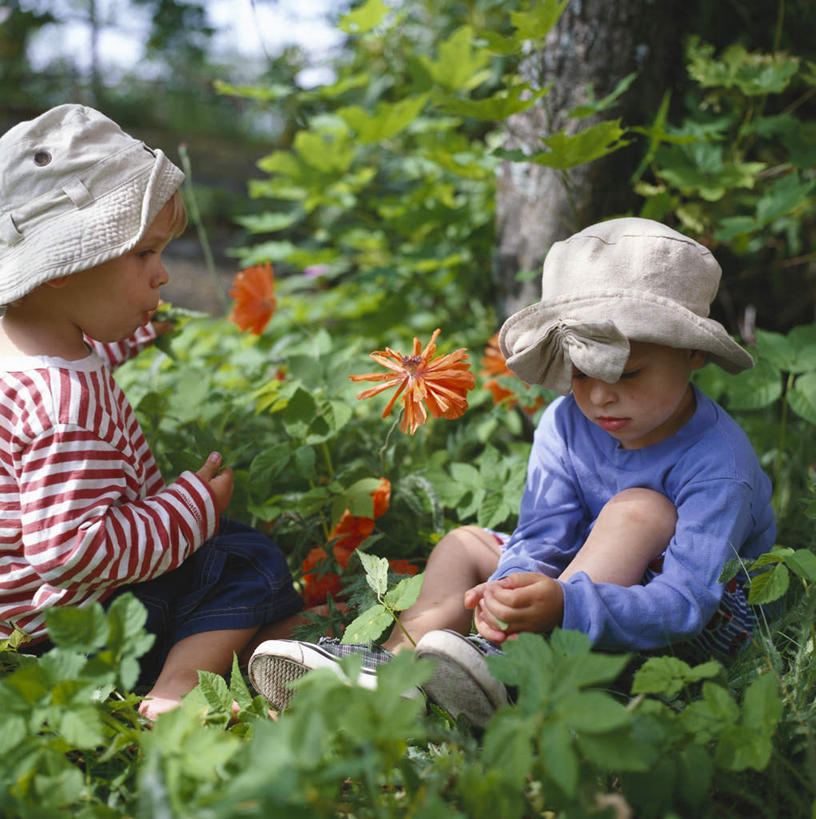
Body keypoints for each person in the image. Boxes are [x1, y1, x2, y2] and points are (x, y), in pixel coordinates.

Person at [247, 217, 776, 726]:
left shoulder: (719, 464)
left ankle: (517, 672)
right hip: (584, 578)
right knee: (463, 543)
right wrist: (508, 593)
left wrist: (562, 605)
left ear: (693, 354)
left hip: (695, 620)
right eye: (577, 373)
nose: (597, 395)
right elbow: (543, 535)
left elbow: (685, 604)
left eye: (625, 372)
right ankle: (396, 665)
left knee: (637, 508)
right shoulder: (566, 422)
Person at [0, 104, 305, 719]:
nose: (163, 275)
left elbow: (82, 347)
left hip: (20, 614)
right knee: (243, 558)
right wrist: (191, 510)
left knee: (229, 554)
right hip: (75, 627)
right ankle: (177, 690)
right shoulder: (69, 408)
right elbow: (73, 551)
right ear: (64, 268)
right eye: (146, 255)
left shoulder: (29, 352)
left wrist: (133, 331)